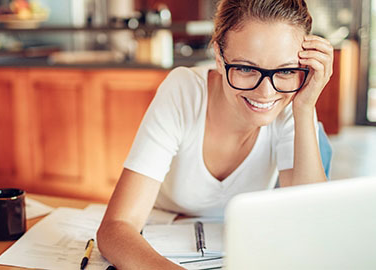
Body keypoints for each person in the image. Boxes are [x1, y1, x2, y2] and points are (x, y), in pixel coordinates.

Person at [97, 0, 333, 268]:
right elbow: (116, 227)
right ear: (219, 58)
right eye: (245, 68)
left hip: (239, 249)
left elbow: (310, 224)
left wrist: (304, 109)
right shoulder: (184, 91)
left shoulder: (292, 99)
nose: (266, 93)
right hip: (162, 245)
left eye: (286, 70)